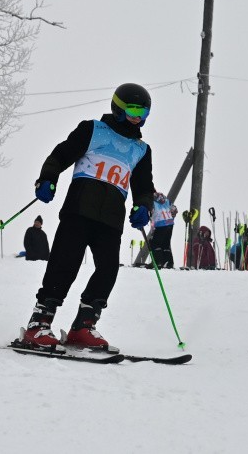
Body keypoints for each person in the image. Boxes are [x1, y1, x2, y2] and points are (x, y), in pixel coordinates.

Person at [18, 83, 155, 351]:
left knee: (108, 270)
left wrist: (143, 206)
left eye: (144, 111)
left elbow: (143, 186)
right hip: (79, 211)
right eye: (133, 109)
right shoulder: (92, 130)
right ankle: (39, 323)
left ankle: (84, 324)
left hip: (111, 219)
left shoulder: (141, 150)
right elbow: (60, 155)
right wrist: (47, 179)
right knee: (64, 264)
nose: (138, 116)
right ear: (118, 108)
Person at [147, 191, 178, 268]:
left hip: (160, 222)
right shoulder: (164, 198)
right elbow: (174, 209)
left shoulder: (149, 199)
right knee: (165, 243)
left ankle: (158, 262)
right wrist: (172, 215)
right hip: (169, 222)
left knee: (154, 243)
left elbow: (148, 211)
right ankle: (168, 262)